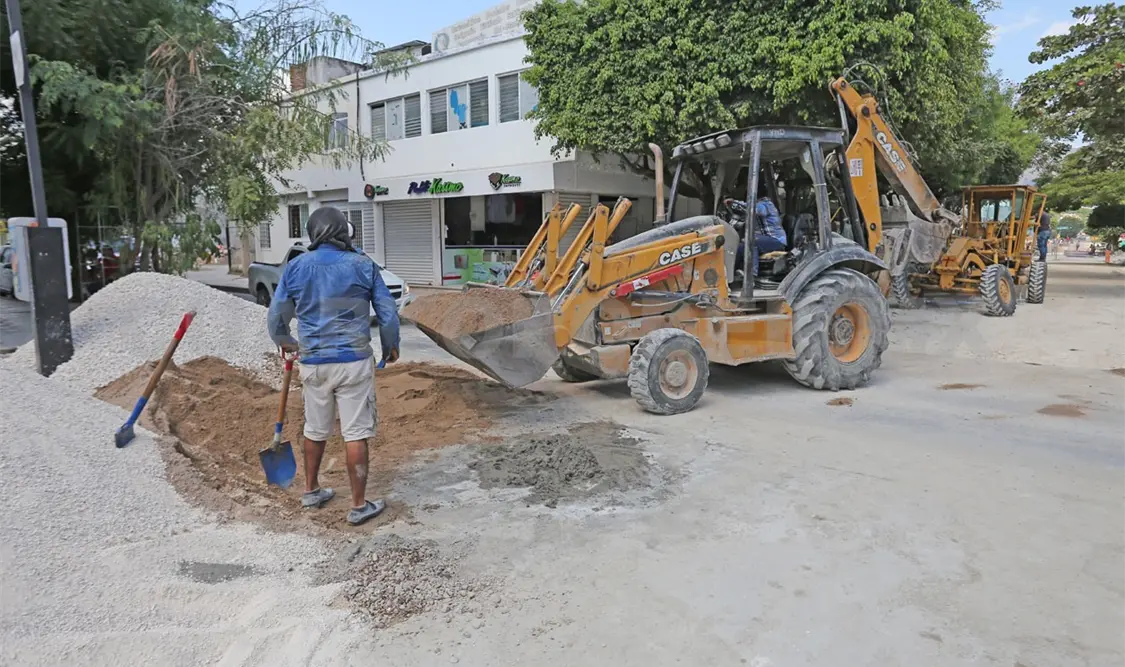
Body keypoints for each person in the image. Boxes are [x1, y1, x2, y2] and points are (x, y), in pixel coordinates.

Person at [267, 206, 401, 526]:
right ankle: (358, 505)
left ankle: (311, 490)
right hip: (353, 362)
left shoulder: (296, 267)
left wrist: (286, 341)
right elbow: (388, 314)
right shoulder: (362, 265)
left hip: (313, 362)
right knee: (355, 432)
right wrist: (390, 346)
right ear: (343, 231)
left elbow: (276, 319)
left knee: (315, 429)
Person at [735, 184, 788, 279]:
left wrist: (741, 207)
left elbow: (759, 211)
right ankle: (731, 274)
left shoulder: (765, 204)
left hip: (776, 241)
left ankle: (751, 275)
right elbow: (746, 205)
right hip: (766, 240)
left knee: (751, 240)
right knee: (739, 246)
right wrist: (733, 202)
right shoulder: (756, 204)